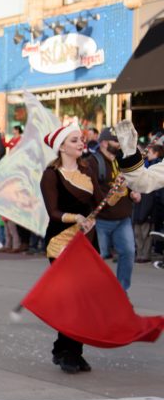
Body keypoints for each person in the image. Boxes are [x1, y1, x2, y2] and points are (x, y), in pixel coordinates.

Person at [40, 124, 102, 374]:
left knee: (83, 299)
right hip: (60, 242)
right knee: (71, 300)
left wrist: (122, 193)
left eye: (81, 140)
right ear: (62, 146)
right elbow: (53, 212)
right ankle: (68, 352)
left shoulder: (88, 171)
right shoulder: (51, 175)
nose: (80, 144)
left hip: (87, 242)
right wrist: (76, 218)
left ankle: (68, 349)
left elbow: (100, 202)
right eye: (75, 140)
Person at [89, 128, 135, 290]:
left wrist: (132, 193)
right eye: (116, 142)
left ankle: (121, 293)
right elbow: (92, 192)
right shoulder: (92, 163)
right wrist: (112, 195)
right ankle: (94, 294)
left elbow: (129, 184)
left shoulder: (121, 161)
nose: (119, 145)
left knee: (128, 253)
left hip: (122, 219)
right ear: (104, 143)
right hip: (100, 221)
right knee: (95, 260)